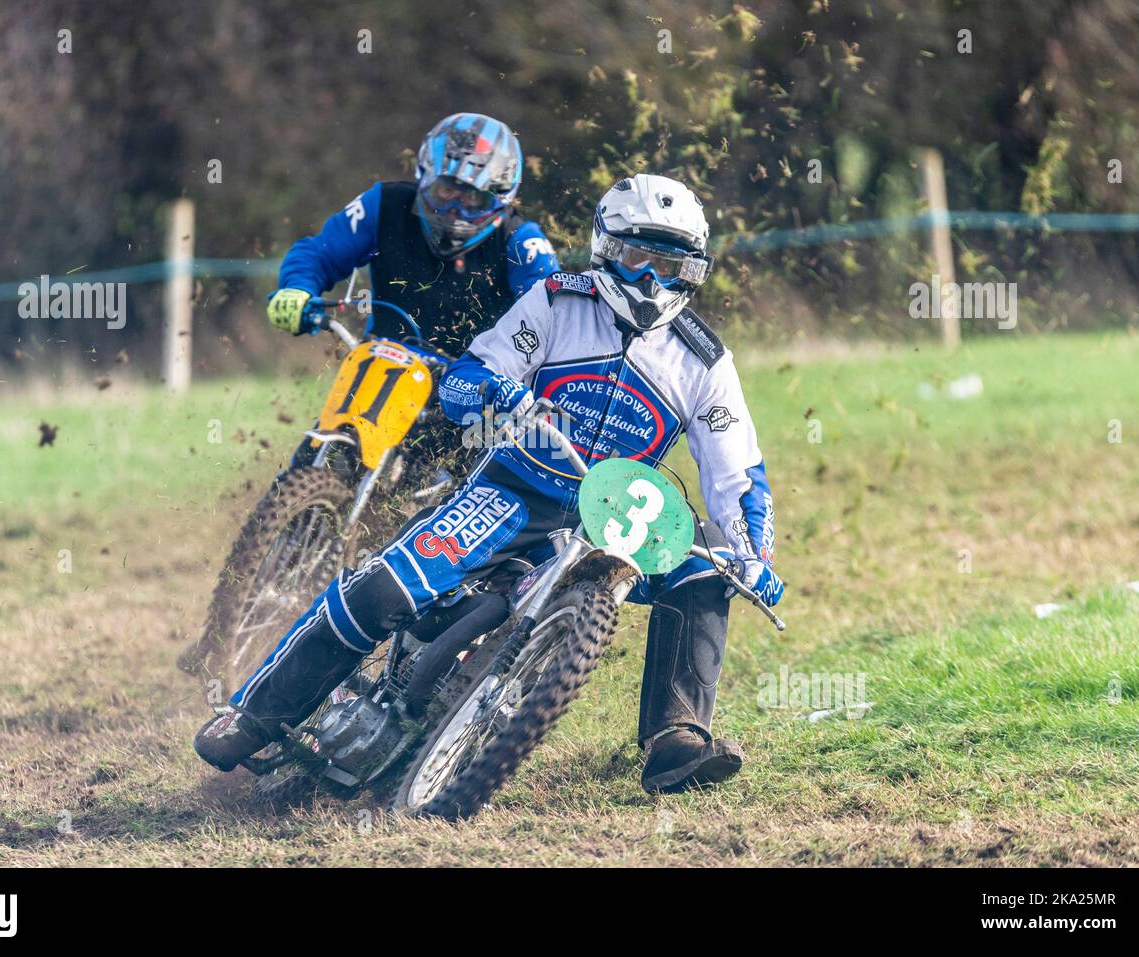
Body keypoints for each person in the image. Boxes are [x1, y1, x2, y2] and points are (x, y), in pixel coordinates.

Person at [196, 173, 784, 795]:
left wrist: (754, 558)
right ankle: (255, 713)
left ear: (692, 273)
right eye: (639, 260)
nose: (650, 282)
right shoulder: (558, 302)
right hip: (513, 491)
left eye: (670, 268)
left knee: (702, 574)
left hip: (614, 520)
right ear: (608, 248)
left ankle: (677, 739)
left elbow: (737, 476)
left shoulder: (706, 362)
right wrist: (494, 390)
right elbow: (463, 380)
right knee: (385, 587)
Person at [266, 112, 559, 359]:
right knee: (332, 429)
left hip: (481, 391)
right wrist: (298, 289)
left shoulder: (521, 241)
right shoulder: (384, 204)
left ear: (499, 200)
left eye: (471, 199)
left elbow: (553, 320)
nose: (454, 210)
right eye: (445, 191)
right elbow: (320, 253)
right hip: (384, 367)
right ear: (424, 178)